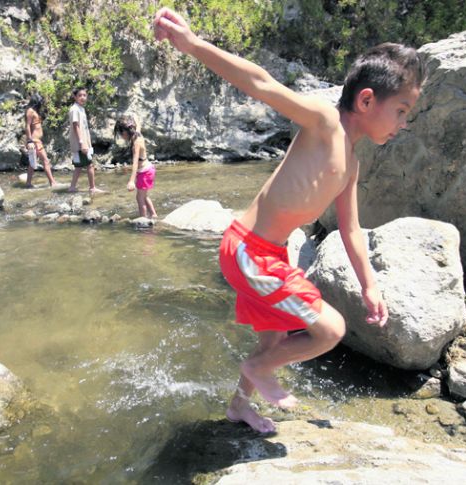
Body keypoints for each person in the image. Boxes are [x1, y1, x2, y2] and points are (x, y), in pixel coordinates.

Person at [154, 7, 425, 433]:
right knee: (330, 329)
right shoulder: (323, 123)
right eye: (402, 110)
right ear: (367, 99)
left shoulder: (350, 164)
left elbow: (351, 229)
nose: (403, 124)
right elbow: (261, 83)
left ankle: (239, 405)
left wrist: (370, 285)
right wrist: (192, 45)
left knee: (276, 339)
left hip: (269, 255)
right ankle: (258, 368)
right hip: (247, 250)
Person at [114, 115, 157, 218]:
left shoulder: (136, 143)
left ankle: (143, 219)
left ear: (125, 132)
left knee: (139, 198)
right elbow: (138, 124)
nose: (121, 136)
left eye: (121, 134)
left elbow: (135, 163)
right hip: (148, 170)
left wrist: (132, 181)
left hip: (145, 172)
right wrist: (136, 118)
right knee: (144, 196)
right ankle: (153, 215)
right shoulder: (137, 133)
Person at [67, 86, 105, 194]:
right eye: (80, 95)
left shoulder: (81, 108)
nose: (82, 97)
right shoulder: (74, 109)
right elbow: (76, 126)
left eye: (84, 95)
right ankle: (92, 188)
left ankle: (72, 187)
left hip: (84, 143)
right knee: (89, 165)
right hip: (80, 143)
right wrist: (81, 142)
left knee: (79, 166)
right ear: (75, 97)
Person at [24, 93, 57, 187]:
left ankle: (28, 183)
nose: (41, 103)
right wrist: (30, 141)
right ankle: (52, 182)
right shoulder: (30, 111)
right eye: (40, 101)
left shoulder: (34, 110)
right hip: (34, 141)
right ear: (36, 101)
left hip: (36, 140)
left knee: (32, 163)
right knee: (45, 161)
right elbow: (27, 127)